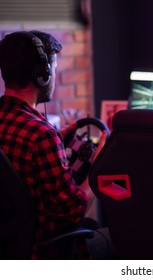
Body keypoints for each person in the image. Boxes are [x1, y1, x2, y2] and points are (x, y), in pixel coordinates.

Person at [0, 30, 109, 259]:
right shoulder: (41, 135)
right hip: (44, 251)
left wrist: (56, 139)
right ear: (42, 76)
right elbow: (74, 211)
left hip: (8, 248)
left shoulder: (36, 133)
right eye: (54, 70)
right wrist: (99, 165)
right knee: (115, 239)